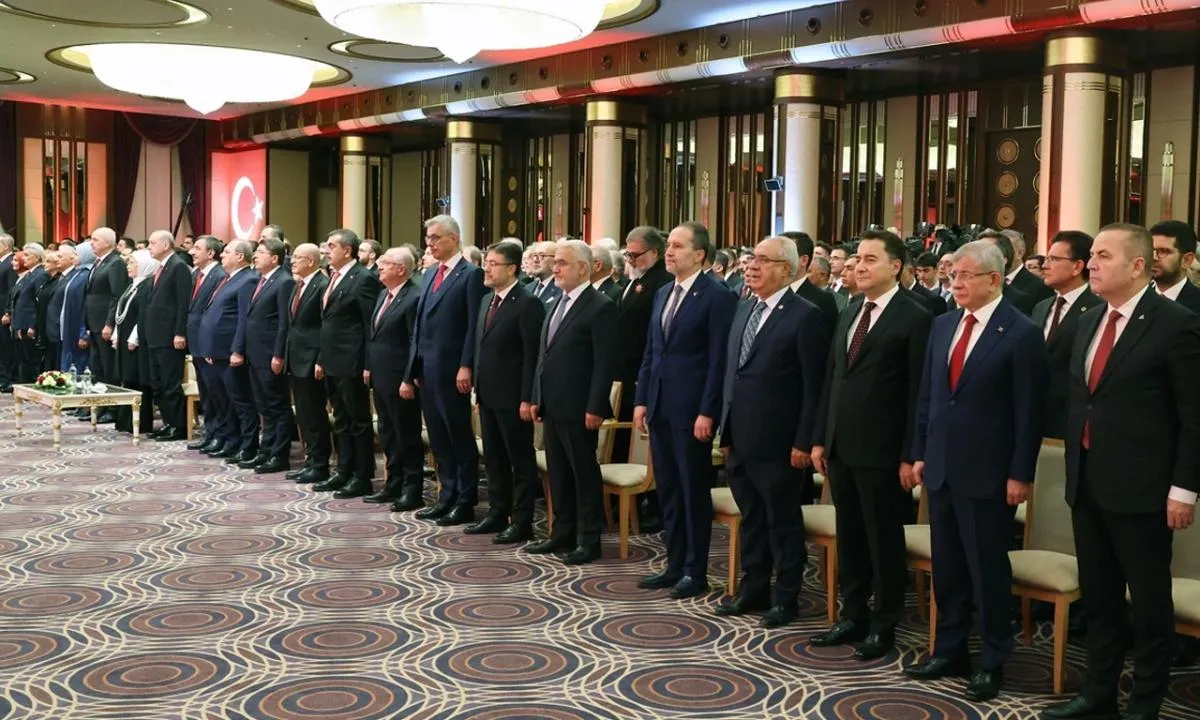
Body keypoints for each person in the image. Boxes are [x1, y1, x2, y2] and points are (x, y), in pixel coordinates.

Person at [1043, 223, 1200, 720]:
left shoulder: (1175, 324)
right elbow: (1082, 401)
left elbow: (1194, 416)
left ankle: (1145, 703)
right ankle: (1098, 693)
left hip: (1144, 490)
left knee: (1148, 605)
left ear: (1137, 266)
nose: (1091, 263)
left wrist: (1184, 489)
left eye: (1103, 256)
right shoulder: (1090, 320)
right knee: (1101, 600)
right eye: (1091, 255)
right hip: (1088, 483)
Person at [906, 240, 1048, 702]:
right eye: (953, 276)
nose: (956, 283)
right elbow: (930, 396)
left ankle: (992, 658)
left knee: (986, 571)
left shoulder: (1021, 332)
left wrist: (1020, 473)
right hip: (942, 467)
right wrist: (921, 450)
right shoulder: (944, 323)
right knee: (947, 566)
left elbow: (1029, 413)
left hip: (989, 473)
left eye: (965, 275)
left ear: (994, 279)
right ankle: (950, 648)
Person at [809, 229, 932, 660]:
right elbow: (832, 379)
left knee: (883, 541)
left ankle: (884, 623)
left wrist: (910, 453)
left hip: (884, 451)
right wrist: (820, 438)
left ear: (895, 266)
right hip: (841, 445)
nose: (858, 267)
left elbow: (918, 393)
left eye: (869, 260)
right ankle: (853, 613)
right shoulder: (849, 311)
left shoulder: (915, 317)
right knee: (851, 535)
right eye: (856, 259)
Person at [716, 236, 829, 628]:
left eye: (762, 260)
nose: (752, 266)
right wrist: (726, 428)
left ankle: (786, 596)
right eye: (751, 258)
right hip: (740, 435)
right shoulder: (744, 307)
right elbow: (734, 372)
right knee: (752, 518)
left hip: (780, 442)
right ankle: (754, 587)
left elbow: (814, 387)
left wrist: (804, 440)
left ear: (786, 268)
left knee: (782, 522)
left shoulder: (805, 315)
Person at [634, 222, 736, 599]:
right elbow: (652, 351)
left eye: (678, 246)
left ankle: (696, 570)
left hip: (693, 410)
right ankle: (674, 563)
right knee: (669, 489)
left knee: (692, 491)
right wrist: (642, 399)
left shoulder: (717, 296)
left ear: (700, 254)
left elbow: (718, 360)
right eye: (669, 246)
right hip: (660, 405)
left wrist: (708, 410)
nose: (670, 252)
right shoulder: (663, 292)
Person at [527, 240, 618, 565]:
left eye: (562, 263)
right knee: (559, 472)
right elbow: (544, 355)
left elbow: (604, 363)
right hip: (552, 403)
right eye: (555, 263)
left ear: (583, 268)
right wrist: (536, 396)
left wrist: (595, 406)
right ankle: (561, 532)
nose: (555, 268)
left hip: (580, 407)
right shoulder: (557, 301)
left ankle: (588, 539)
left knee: (583, 473)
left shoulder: (600, 306)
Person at [402, 216, 485, 524]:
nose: (430, 243)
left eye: (435, 237)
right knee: (438, 436)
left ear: (453, 238)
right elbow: (419, 324)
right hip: (427, 367)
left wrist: (466, 365)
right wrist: (413, 365)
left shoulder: (470, 274)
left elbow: (473, 326)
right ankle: (446, 494)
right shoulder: (429, 273)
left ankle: (465, 499)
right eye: (427, 238)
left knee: (458, 434)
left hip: (453, 369)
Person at [466, 241, 545, 542]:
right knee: (494, 458)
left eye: (493, 264)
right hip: (488, 393)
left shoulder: (527, 303)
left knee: (520, 461)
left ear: (511, 268)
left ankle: (522, 521)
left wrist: (528, 397)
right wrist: (477, 388)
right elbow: (481, 347)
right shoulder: (487, 300)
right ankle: (497, 512)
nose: (486, 269)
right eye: (485, 262)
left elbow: (531, 356)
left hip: (514, 397)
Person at [313, 229, 382, 498]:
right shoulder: (334, 276)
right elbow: (328, 323)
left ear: (348, 250)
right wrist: (322, 358)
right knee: (340, 419)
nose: (327, 250)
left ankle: (362, 476)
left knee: (357, 421)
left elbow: (368, 325)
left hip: (352, 360)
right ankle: (344, 470)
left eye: (332, 246)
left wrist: (367, 363)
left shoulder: (363, 278)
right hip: (332, 359)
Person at [362, 248, 424, 511]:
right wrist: (368, 366)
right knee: (388, 433)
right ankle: (393, 482)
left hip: (400, 379)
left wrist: (408, 378)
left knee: (406, 434)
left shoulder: (413, 297)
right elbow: (373, 335)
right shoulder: (383, 294)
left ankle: (412, 489)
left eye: (386, 263)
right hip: (381, 376)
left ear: (401, 269)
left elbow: (414, 342)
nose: (379, 266)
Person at [233, 239, 295, 474]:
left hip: (270, 354)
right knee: (264, 406)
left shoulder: (284, 281)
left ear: (275, 258)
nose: (256, 255)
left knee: (277, 405)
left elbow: (283, 322)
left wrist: (279, 354)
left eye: (260, 252)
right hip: (255, 353)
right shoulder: (263, 280)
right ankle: (266, 451)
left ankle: (279, 455)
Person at [197, 241, 259, 464]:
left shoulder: (248, 279)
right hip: (216, 350)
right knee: (222, 400)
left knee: (240, 402)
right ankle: (229, 439)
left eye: (227, 252)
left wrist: (237, 350)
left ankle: (247, 446)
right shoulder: (228, 278)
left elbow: (243, 320)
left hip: (230, 352)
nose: (222, 255)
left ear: (240, 256)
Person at [1031, 230, 1097, 441]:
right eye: (1046, 259)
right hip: (1035, 417)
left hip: (1071, 422)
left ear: (1077, 266)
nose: (1045, 265)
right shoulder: (1042, 307)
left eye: (1053, 259)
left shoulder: (1097, 309)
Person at [285, 244, 333, 487]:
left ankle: (320, 464)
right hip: (296, 356)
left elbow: (325, 327)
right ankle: (310, 460)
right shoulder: (300, 284)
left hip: (312, 358)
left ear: (312, 261)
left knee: (315, 415)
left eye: (297, 257)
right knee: (304, 414)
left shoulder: (322, 285)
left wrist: (320, 359)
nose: (292, 261)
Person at [144, 229, 193, 441]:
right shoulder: (161, 267)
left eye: (152, 243)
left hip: (170, 336)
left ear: (166, 245)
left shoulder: (178, 266)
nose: (149, 247)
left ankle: (178, 426)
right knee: (158, 383)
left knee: (170, 382)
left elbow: (183, 302)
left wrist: (179, 332)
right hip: (155, 335)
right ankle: (168, 422)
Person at [185, 236, 228, 454]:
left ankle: (221, 435)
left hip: (210, 343)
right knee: (206, 392)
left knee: (216, 393)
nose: (192, 252)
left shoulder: (219, 275)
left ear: (211, 253)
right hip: (196, 342)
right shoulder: (196, 274)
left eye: (197, 248)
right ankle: (210, 433)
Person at [110, 250, 158, 434]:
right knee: (126, 379)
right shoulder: (132, 285)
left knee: (137, 380)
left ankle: (140, 422)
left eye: (132, 263)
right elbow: (121, 311)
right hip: (124, 336)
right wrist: (116, 334)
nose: (128, 267)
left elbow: (143, 315)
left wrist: (134, 337)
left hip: (136, 341)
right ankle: (124, 421)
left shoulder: (147, 286)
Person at [89, 227, 128, 421]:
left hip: (104, 323)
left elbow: (116, 296)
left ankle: (112, 408)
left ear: (107, 242)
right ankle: (100, 405)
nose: (91, 243)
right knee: (97, 368)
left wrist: (109, 324)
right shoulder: (98, 262)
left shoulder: (115, 263)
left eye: (95, 239)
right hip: (93, 322)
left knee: (108, 367)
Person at [0, 233, 18, 392]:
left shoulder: (10, 263)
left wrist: (8, 311)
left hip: (4, 311)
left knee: (6, 346)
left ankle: (7, 379)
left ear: (5, 246)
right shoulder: (2, 262)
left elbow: (11, 290)